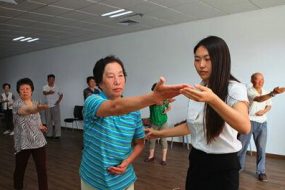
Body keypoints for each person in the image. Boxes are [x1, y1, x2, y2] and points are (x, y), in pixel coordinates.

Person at [145, 36, 251, 190]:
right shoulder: (197, 91)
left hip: (224, 165)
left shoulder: (235, 89)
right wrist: (158, 133)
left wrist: (213, 99)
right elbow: (191, 126)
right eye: (197, 59)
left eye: (207, 59)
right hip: (197, 160)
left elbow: (245, 127)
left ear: (221, 60)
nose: (201, 65)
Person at [79, 55, 185, 190]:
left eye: (121, 75)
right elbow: (115, 107)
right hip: (93, 180)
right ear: (100, 82)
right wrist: (152, 98)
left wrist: (127, 162)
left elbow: (140, 143)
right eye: (111, 77)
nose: (117, 81)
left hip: (124, 180)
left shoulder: (134, 111)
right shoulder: (92, 101)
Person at [238, 72, 285, 182]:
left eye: (262, 80)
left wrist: (264, 111)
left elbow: (269, 105)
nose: (260, 82)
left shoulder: (265, 91)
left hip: (262, 123)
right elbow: (259, 99)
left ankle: (261, 172)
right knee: (242, 147)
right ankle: (238, 168)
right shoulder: (248, 91)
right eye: (257, 79)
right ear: (252, 80)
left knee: (261, 149)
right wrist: (273, 93)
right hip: (248, 122)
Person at [13, 78, 49, 190]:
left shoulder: (35, 102)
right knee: (20, 169)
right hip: (23, 142)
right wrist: (38, 108)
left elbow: (37, 120)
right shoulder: (17, 104)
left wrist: (41, 127)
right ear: (18, 91)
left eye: (27, 88)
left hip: (38, 141)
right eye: (22, 89)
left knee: (42, 169)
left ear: (31, 90)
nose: (25, 91)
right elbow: (26, 110)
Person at [144, 83, 171, 166]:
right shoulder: (151, 99)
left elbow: (169, 107)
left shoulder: (165, 99)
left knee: (163, 140)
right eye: (156, 91)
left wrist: (166, 110)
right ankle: (151, 156)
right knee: (152, 139)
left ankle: (164, 159)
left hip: (163, 122)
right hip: (153, 122)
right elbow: (157, 103)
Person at [43, 74, 63, 139]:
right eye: (50, 79)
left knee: (57, 120)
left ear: (54, 80)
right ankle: (49, 134)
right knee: (48, 120)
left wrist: (58, 101)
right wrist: (49, 92)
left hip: (55, 105)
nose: (51, 81)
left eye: (52, 79)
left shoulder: (57, 87)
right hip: (47, 105)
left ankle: (57, 135)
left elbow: (61, 94)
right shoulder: (45, 87)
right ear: (47, 80)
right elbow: (44, 93)